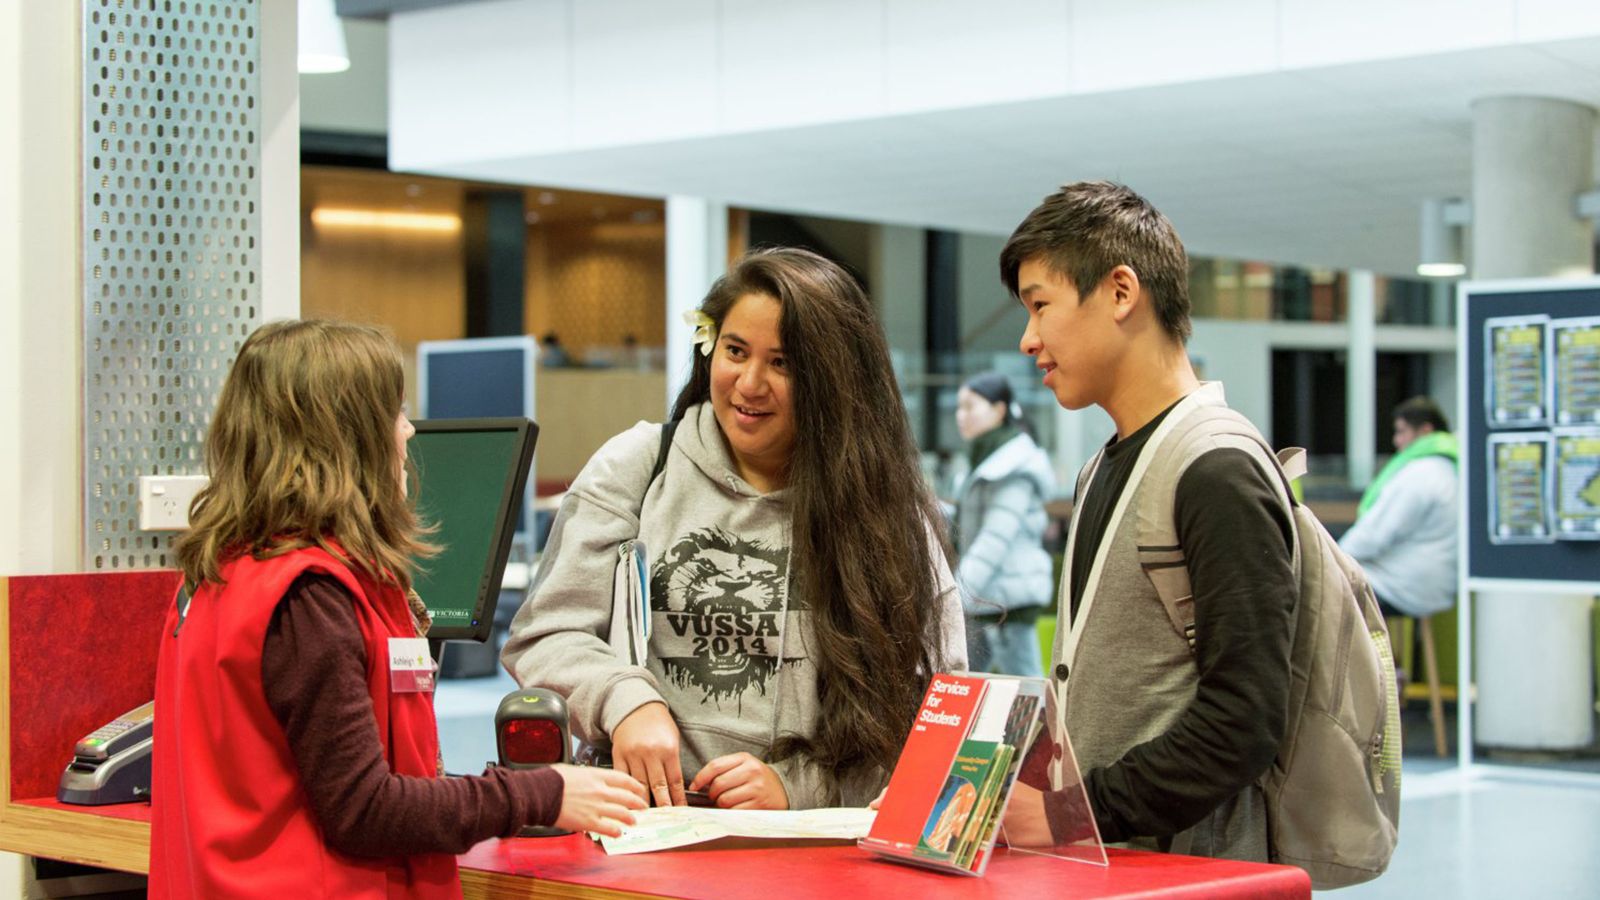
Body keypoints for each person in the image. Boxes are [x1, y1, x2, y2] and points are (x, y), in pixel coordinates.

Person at [150, 320, 646, 900]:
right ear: (348, 437)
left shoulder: (222, 573)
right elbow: (364, 808)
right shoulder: (311, 598)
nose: (408, 431)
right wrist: (543, 794)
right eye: (396, 412)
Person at [502, 248, 966, 811]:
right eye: (736, 351)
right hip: (642, 832)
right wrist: (623, 699)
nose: (749, 383)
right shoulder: (638, 467)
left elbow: (937, 711)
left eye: (783, 363)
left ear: (834, 379)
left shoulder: (885, 513)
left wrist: (799, 787)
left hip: (813, 857)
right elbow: (544, 636)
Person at [997, 182, 1297, 860]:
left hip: (1188, 868)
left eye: (1040, 306)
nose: (1028, 338)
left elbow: (1243, 720)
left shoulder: (1216, 468)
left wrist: (1076, 814)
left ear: (1121, 292)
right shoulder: (1101, 466)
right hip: (1108, 863)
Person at [952, 372, 1055, 676]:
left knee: (1027, 692)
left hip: (1007, 604)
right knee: (960, 683)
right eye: (958, 407)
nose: (961, 416)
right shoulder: (986, 460)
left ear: (998, 410)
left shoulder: (1013, 467)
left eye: (970, 406)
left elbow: (993, 540)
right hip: (984, 600)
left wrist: (956, 595)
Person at [1340, 396, 1459, 618]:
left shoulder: (1422, 472)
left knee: (1318, 589)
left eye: (1402, 431)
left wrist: (1332, 558)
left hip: (1402, 588)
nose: (1397, 441)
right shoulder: (1451, 466)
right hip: (1434, 587)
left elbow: (1374, 535)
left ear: (1425, 431)